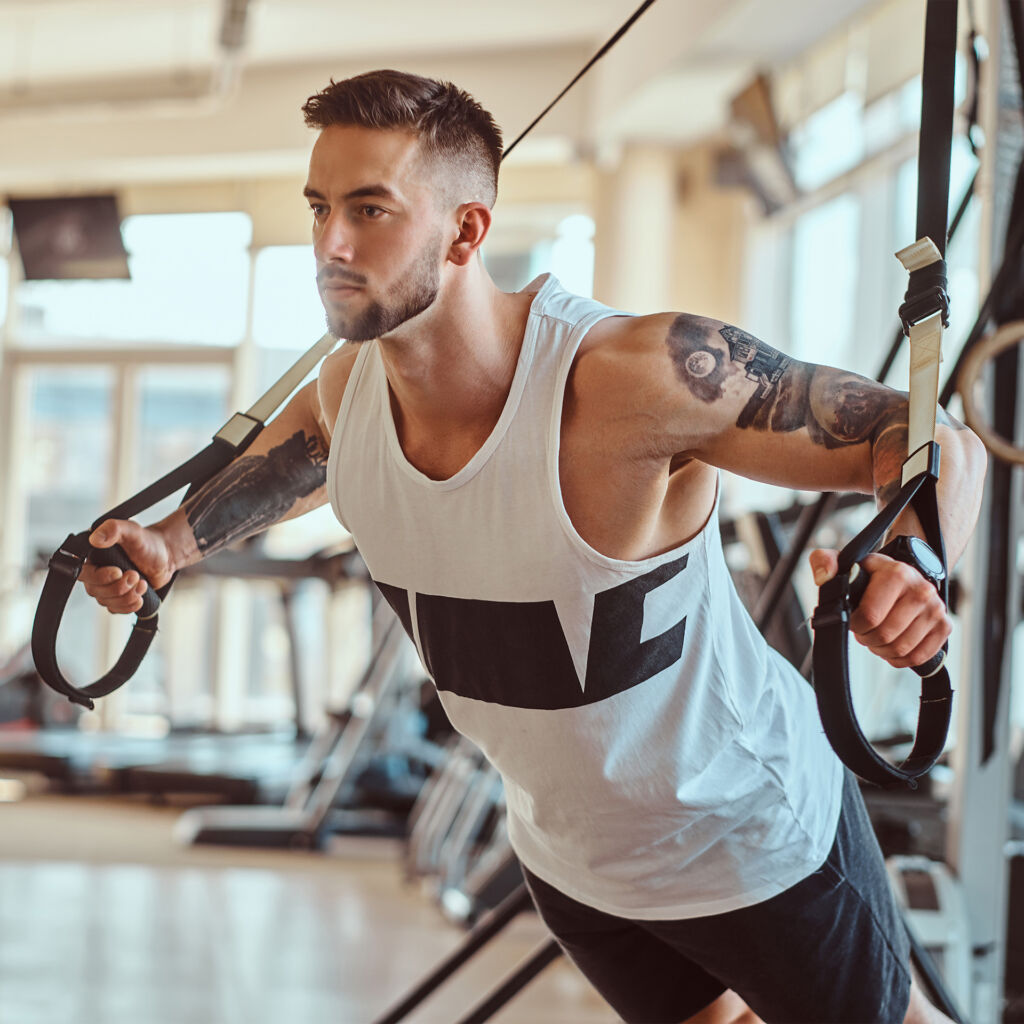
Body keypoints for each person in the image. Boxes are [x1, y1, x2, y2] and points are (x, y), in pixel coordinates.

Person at [80, 70, 986, 1024]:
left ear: (467, 232)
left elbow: (927, 439)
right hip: (577, 863)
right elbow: (301, 451)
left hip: (753, 836)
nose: (331, 246)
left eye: (371, 210)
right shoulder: (348, 392)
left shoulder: (639, 377)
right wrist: (171, 542)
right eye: (318, 209)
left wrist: (913, 562)